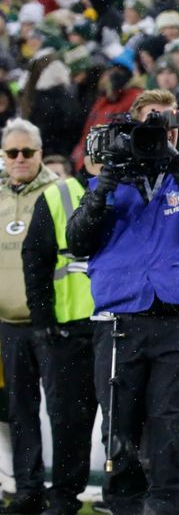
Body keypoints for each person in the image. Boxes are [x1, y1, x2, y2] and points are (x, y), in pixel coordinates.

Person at [66, 90, 179, 515]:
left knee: (171, 432)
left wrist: (175, 158)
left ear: (177, 129)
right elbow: (77, 240)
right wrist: (108, 179)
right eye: (148, 128)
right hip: (119, 322)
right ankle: (123, 506)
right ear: (130, 128)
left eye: (165, 127)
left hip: (177, 322)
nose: (157, 136)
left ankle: (168, 507)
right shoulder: (108, 181)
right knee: (119, 432)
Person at [22, 153, 99, 515]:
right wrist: (42, 318)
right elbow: (35, 258)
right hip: (68, 328)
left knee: (124, 420)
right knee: (69, 417)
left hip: (115, 323)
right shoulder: (57, 195)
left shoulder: (131, 190)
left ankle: (122, 494)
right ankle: (66, 495)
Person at [0, 119, 59, 514]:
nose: (19, 159)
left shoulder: (58, 193)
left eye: (27, 152)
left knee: (63, 412)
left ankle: (66, 489)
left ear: (40, 153)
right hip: (7, 325)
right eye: (11, 153)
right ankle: (27, 487)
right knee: (19, 412)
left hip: (52, 322)